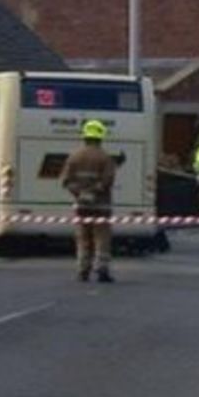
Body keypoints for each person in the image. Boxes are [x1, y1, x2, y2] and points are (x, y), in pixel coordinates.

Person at [60, 120, 117, 283]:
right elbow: (108, 180)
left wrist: (79, 193)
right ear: (100, 137)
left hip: (81, 205)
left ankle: (83, 270)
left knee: (83, 238)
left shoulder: (74, 157)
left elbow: (65, 180)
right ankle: (102, 269)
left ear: (85, 136)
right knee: (102, 238)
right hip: (102, 206)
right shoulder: (105, 158)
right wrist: (94, 192)